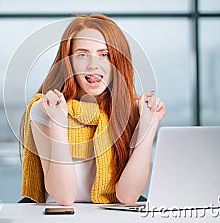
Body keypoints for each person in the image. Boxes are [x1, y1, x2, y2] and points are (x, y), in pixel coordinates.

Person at [20, 14, 166, 206]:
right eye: (82, 54)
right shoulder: (46, 108)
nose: (93, 65)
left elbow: (128, 197)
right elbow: (64, 197)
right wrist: (58, 124)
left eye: (104, 54)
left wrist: (149, 124)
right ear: (68, 61)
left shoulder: (131, 110)